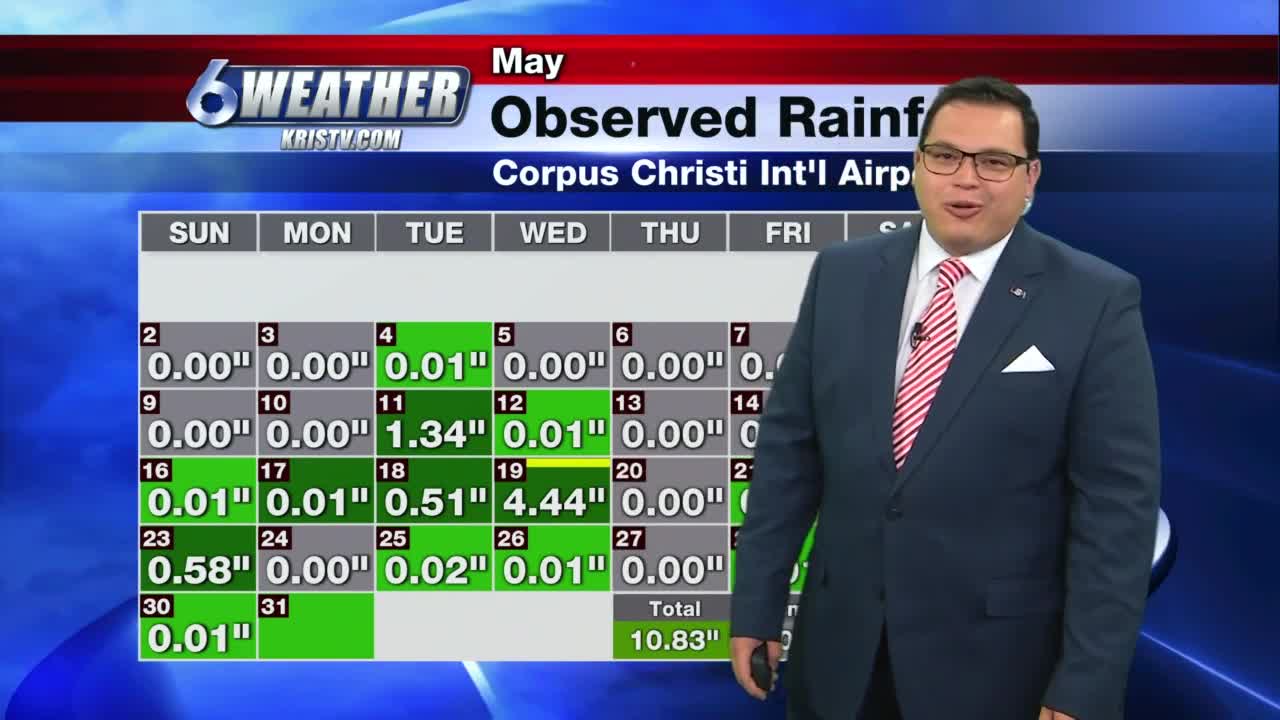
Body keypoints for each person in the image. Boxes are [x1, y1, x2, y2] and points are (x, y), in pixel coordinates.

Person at [728, 76, 1161, 720]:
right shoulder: (842, 274)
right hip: (840, 657)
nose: (965, 179)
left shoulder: (1096, 299)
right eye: (946, 155)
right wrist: (757, 605)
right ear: (918, 164)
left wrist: (1086, 684)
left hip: (999, 670)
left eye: (994, 162)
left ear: (1030, 178)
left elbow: (1116, 510)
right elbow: (789, 455)